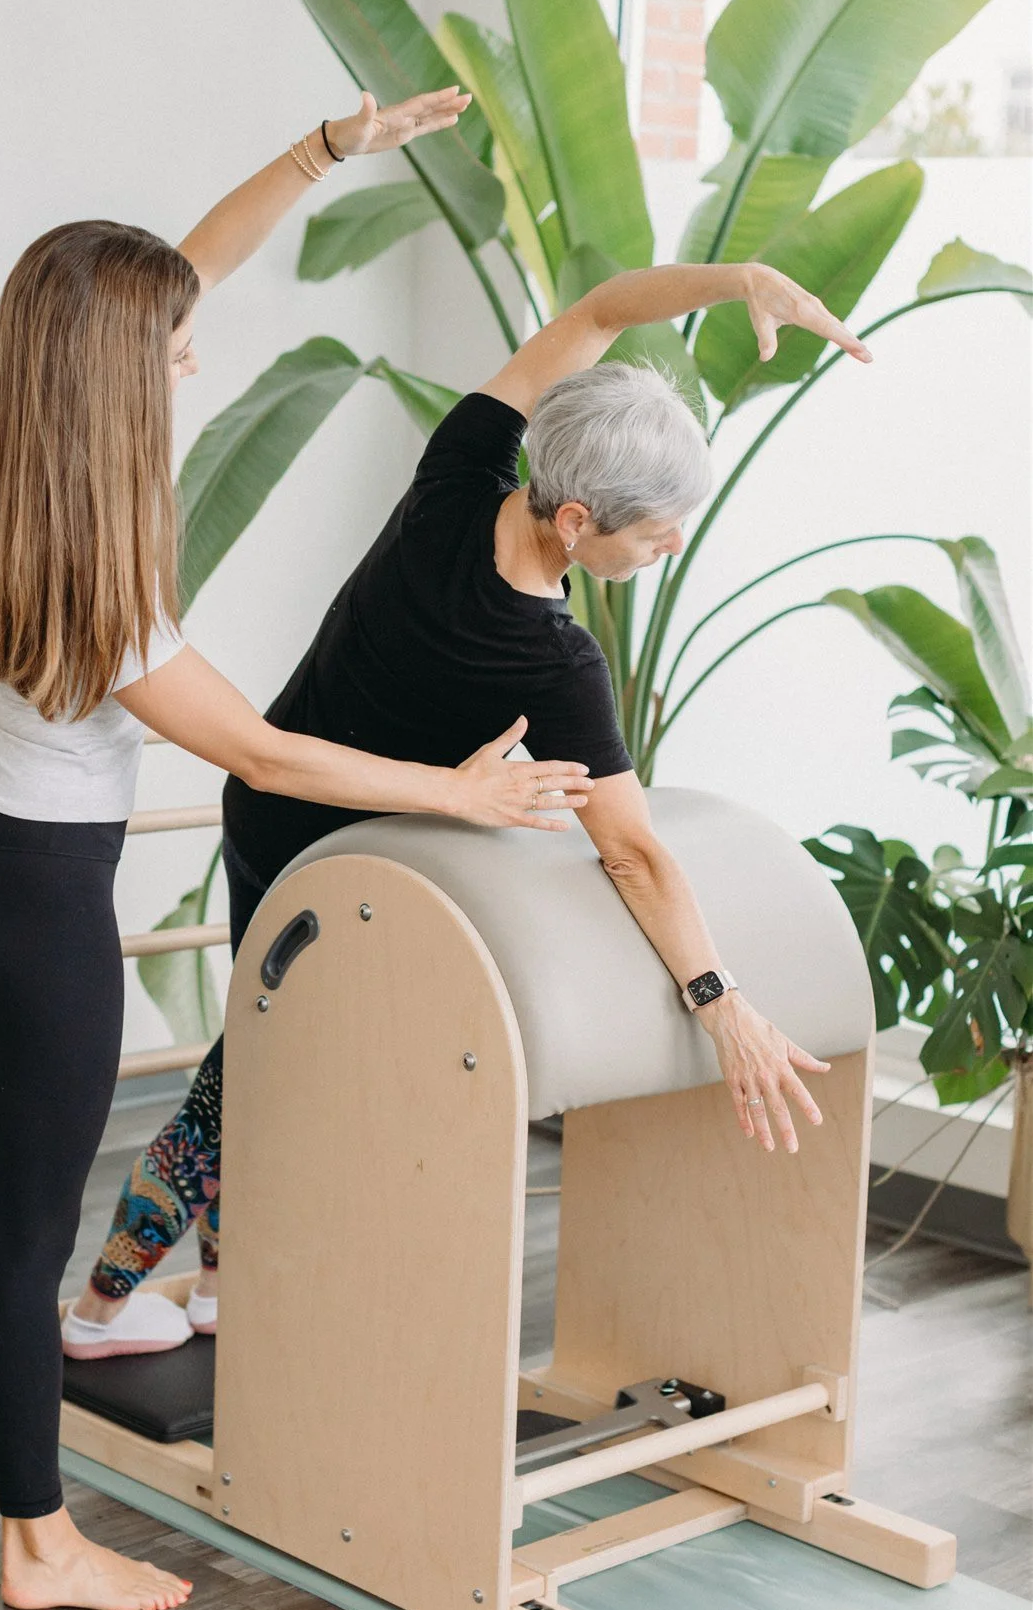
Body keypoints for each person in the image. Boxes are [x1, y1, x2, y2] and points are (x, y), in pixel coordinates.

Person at [0, 86, 594, 1610]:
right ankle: (38, 1543)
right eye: (174, 347)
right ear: (116, 375)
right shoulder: (99, 576)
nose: (194, 355)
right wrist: (457, 796)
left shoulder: (12, 454)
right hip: (39, 898)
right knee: (26, 1241)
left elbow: (189, 263)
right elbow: (260, 751)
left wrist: (324, 151)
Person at [65, 258, 873, 1360]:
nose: (670, 547)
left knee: (266, 1050)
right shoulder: (552, 662)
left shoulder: (458, 473)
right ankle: (98, 1312)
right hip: (340, 862)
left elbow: (597, 312)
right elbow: (633, 855)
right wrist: (722, 1004)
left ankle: (215, 1287)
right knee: (250, 1075)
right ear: (577, 519)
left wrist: (741, 280)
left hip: (268, 810)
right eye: (656, 532)